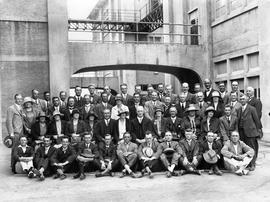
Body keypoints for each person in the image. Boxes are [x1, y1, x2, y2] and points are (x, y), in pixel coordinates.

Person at [238, 94, 262, 171]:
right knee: (244, 148)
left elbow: (257, 120)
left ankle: (252, 164)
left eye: (244, 99)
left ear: (247, 100)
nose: (242, 100)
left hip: (250, 132)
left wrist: (259, 130)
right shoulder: (239, 109)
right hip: (241, 132)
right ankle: (246, 164)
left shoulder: (252, 109)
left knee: (251, 148)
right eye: (241, 99)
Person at [6, 94, 24, 173]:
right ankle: (13, 166)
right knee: (14, 149)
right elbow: (8, 122)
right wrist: (11, 133)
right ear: (15, 99)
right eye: (18, 99)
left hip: (22, 132)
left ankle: (19, 166)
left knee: (20, 149)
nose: (19, 100)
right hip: (15, 132)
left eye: (21, 99)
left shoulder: (22, 108)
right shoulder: (11, 108)